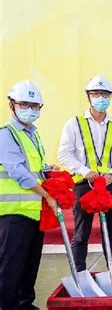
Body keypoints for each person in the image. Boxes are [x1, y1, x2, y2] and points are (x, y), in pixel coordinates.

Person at [58, 75, 112, 272]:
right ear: (88, 96)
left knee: (111, 232)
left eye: (105, 94)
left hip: (109, 184)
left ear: (110, 97)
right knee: (81, 232)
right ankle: (78, 273)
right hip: (83, 184)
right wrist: (85, 171)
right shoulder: (74, 124)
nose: (100, 98)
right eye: (96, 94)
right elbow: (64, 153)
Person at [0, 80, 58, 310]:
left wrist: (48, 171)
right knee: (10, 266)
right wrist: (48, 195)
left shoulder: (33, 134)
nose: (30, 110)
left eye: (35, 106)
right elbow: (19, 172)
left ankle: (24, 304)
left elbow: (35, 168)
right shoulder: (7, 135)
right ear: (12, 104)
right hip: (14, 213)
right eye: (25, 104)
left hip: (34, 211)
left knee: (29, 264)